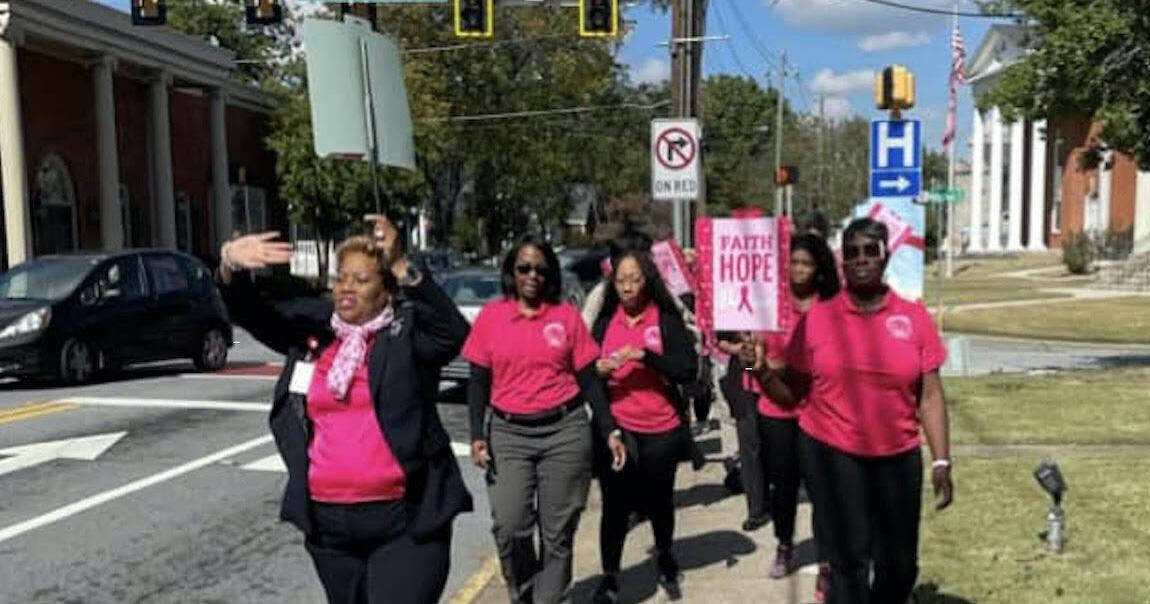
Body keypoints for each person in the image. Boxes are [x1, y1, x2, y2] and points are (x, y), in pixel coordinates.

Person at [216, 217, 473, 604]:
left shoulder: (404, 334)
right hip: (330, 528)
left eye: (361, 279)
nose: (346, 287)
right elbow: (252, 313)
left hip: (405, 520)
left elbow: (453, 333)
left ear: (386, 292)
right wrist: (230, 265)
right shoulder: (314, 335)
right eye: (341, 278)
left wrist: (403, 266)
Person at [758, 218, 954, 604]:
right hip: (832, 454)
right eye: (851, 253)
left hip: (897, 458)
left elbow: (930, 396)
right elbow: (791, 396)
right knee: (849, 563)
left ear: (886, 255)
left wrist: (941, 461)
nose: (861, 260)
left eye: (870, 251)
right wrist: (757, 369)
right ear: (842, 261)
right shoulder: (818, 319)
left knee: (899, 566)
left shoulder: (914, 320)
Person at [465, 235, 627, 604]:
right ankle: (523, 594)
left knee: (558, 534)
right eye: (524, 268)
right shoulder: (492, 317)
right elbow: (477, 381)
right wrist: (477, 434)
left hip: (564, 433)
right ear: (511, 272)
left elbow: (588, 378)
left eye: (540, 269)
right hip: (508, 433)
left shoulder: (566, 317)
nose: (532, 275)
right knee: (510, 526)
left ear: (550, 274)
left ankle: (550, 598)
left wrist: (609, 429)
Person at [588, 249, 699, 603]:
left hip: (661, 428)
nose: (628, 288)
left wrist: (647, 357)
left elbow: (688, 369)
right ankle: (609, 575)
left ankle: (664, 552)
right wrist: (598, 369)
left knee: (659, 499)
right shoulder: (605, 323)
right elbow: (585, 371)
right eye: (621, 281)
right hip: (618, 427)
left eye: (635, 280)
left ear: (647, 281)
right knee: (615, 503)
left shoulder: (664, 320)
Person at [733, 234, 840, 601]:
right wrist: (756, 358)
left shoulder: (830, 306)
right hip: (776, 408)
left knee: (822, 489)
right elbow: (760, 351)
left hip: (819, 409)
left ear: (819, 268)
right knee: (783, 485)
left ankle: (826, 564)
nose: (799, 269)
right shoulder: (770, 305)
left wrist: (785, 366)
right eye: (793, 262)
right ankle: (784, 544)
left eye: (806, 263)